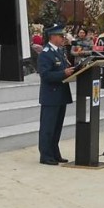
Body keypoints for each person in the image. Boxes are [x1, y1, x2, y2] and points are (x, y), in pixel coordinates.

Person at [37, 24, 74, 165]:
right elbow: (45, 75)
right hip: (51, 96)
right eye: (60, 36)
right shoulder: (46, 54)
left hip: (60, 94)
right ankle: (45, 155)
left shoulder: (59, 52)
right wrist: (63, 73)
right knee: (48, 127)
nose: (63, 38)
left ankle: (54, 153)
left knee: (57, 127)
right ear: (52, 37)